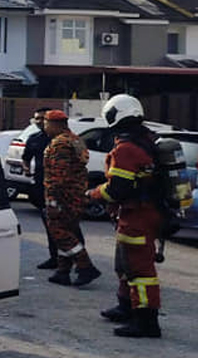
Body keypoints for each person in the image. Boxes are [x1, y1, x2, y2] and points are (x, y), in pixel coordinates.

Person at [89, 94, 163, 338]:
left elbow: (117, 190)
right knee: (125, 265)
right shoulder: (145, 139)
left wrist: (93, 194)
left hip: (138, 216)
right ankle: (126, 307)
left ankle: (146, 321)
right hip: (142, 213)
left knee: (139, 271)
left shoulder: (127, 149)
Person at [42, 110, 101, 286]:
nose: (45, 128)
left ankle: (85, 266)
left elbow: (58, 177)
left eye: (46, 124)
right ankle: (63, 271)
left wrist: (52, 201)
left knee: (60, 232)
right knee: (67, 230)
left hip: (63, 197)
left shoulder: (60, 144)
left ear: (55, 124)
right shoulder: (75, 140)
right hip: (75, 195)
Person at [22, 108, 60, 269]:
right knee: (49, 224)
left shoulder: (61, 139)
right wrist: (26, 168)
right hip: (41, 186)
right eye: (36, 119)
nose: (39, 122)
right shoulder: (33, 139)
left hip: (60, 188)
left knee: (65, 226)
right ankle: (55, 258)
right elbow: (25, 158)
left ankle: (74, 261)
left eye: (43, 119)